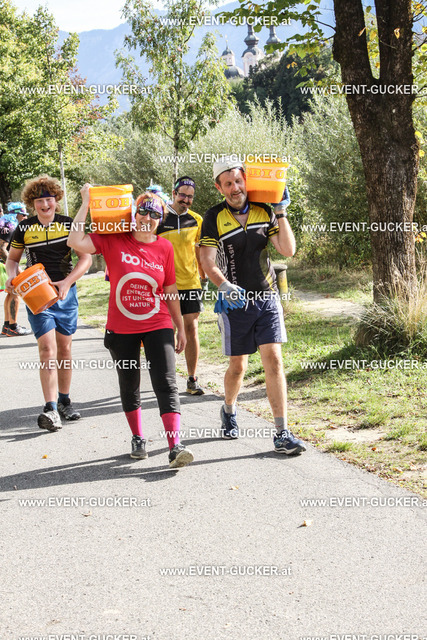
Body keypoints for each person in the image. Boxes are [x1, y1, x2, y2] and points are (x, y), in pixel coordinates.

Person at [67, 184, 194, 469]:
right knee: (129, 383)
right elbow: (75, 240)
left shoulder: (164, 247)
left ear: (160, 219)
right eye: (143, 212)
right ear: (134, 214)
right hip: (121, 326)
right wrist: (85, 202)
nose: (148, 218)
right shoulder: (113, 239)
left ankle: (175, 445)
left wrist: (180, 325)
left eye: (155, 214)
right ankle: (138, 437)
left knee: (166, 382)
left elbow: (170, 288)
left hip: (158, 322)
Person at [199, 157, 306, 455]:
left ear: (246, 180)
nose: (235, 188)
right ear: (219, 188)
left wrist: (281, 212)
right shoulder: (213, 217)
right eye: (228, 184)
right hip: (234, 303)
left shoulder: (264, 210)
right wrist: (223, 285)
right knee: (238, 366)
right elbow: (206, 260)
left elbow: (287, 249)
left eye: (238, 181)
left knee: (274, 359)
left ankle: (282, 433)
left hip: (267, 297)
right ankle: (229, 409)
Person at [5, 175, 92, 431]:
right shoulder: (24, 228)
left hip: (66, 295)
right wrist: (12, 277)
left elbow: (85, 258)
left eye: (49, 200)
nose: (45, 205)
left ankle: (64, 401)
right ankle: (51, 408)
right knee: (46, 349)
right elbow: (12, 260)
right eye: (39, 201)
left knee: (64, 350)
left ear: (56, 200)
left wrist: (67, 282)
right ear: (32, 204)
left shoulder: (68, 224)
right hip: (37, 296)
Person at [156, 176, 207, 395]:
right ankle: (166, 379)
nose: (186, 200)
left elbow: (199, 250)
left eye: (190, 197)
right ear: (174, 193)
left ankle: (192, 379)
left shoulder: (197, 220)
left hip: (190, 284)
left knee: (191, 329)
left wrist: (204, 275)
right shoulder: (159, 217)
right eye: (182, 195)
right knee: (167, 331)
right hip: (164, 285)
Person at [0, 203, 32, 336]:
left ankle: (7, 326)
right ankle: (13, 327)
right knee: (15, 292)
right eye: (23, 215)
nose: (25, 217)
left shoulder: (7, 224)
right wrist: (15, 267)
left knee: (11, 293)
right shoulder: (10, 226)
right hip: (4, 265)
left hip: (3, 264)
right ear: (16, 214)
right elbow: (1, 249)